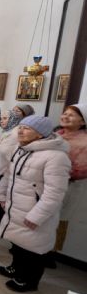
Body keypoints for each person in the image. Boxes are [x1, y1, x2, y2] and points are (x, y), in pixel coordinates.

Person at [0, 115, 71, 292]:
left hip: (34, 210)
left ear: (40, 134)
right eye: (20, 127)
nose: (20, 130)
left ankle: (29, 281)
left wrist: (37, 216)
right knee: (18, 242)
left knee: (34, 248)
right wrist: (1, 196)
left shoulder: (56, 157)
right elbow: (8, 175)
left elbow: (55, 193)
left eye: (27, 128)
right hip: (17, 206)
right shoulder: (21, 149)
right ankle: (15, 268)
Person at [54, 104, 87, 251]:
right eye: (65, 113)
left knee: (58, 219)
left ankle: (49, 253)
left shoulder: (84, 142)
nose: (65, 117)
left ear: (82, 121)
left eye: (71, 115)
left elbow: (81, 170)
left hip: (67, 188)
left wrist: (52, 170)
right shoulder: (56, 135)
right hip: (47, 184)